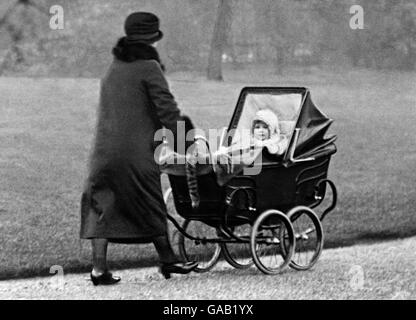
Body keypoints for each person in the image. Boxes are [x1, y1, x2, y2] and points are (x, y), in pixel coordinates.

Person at [80, 12, 197, 285]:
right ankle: (168, 260)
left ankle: (99, 270)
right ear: (152, 40)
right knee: (149, 201)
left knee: (102, 205)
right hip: (136, 153)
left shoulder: (114, 67)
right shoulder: (149, 67)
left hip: (104, 152)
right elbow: (167, 110)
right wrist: (186, 142)